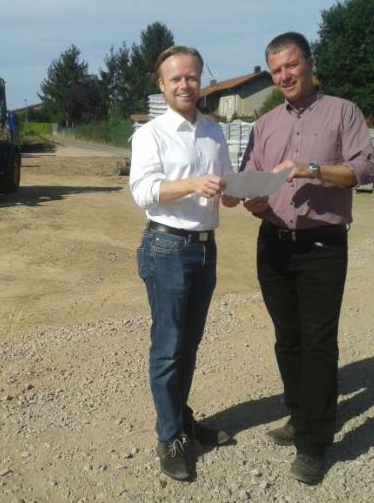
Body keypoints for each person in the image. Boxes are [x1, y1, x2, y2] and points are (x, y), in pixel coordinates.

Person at [239, 32, 374, 485]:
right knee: (287, 339)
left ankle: (315, 442)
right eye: (276, 70)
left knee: (318, 342)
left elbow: (364, 169)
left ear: (310, 63)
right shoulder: (264, 125)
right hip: (274, 243)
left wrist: (309, 169)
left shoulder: (343, 112)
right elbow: (250, 181)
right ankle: (300, 417)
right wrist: (249, 199)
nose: (284, 76)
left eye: (291, 66)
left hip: (322, 246)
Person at [130, 45, 238, 482]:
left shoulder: (214, 131)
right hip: (167, 248)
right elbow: (144, 191)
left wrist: (236, 192)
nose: (184, 84)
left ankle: (181, 418)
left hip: (205, 248)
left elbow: (224, 187)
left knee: (189, 346)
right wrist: (194, 184)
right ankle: (169, 435)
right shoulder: (150, 134)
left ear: (201, 80)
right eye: (175, 78)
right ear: (162, 84)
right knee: (169, 347)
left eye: (191, 77)